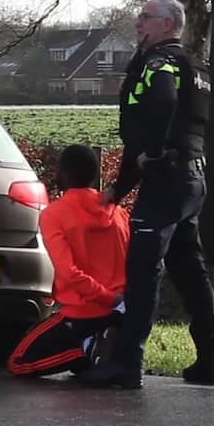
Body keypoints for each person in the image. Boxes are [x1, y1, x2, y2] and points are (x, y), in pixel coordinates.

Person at [80, 0, 214, 390]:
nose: (137, 24)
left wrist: (154, 153)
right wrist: (119, 186)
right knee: (190, 271)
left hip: (167, 178)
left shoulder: (160, 62)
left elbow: (160, 104)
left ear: (166, 24)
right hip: (193, 179)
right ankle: (210, 359)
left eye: (144, 18)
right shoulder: (199, 67)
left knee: (143, 271)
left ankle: (128, 364)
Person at [7, 144, 129, 378]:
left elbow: (68, 273)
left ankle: (85, 349)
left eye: (59, 169)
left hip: (82, 312)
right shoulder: (118, 212)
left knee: (18, 361)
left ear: (66, 173)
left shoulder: (54, 214)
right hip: (121, 310)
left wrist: (108, 298)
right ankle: (100, 349)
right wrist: (120, 301)